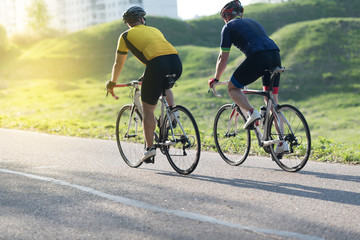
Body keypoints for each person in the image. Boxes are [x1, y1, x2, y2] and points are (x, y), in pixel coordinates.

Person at [208, 0, 288, 154]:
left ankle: (252, 112)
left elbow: (222, 58)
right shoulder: (254, 22)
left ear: (226, 16)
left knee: (233, 88)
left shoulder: (228, 27)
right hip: (275, 55)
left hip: (258, 57)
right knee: (272, 101)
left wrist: (216, 78)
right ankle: (282, 142)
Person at [106, 6, 182, 163]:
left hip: (157, 65)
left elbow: (118, 63)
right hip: (176, 62)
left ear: (128, 23)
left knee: (148, 109)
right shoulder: (155, 30)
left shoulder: (125, 36)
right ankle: (172, 115)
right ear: (142, 19)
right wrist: (146, 75)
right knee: (165, 86)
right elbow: (158, 53)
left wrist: (112, 82)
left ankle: (149, 149)